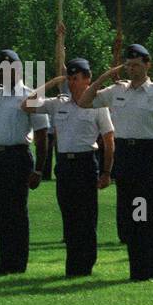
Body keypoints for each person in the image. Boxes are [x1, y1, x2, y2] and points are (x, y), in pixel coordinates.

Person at [78, 43, 153, 282]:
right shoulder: (117, 90)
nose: (132, 69)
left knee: (143, 214)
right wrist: (105, 76)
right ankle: (136, 269)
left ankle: (147, 270)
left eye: (137, 65)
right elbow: (84, 101)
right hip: (126, 157)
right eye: (129, 65)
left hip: (146, 157)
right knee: (129, 217)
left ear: (147, 64)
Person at [24, 53, 114, 277]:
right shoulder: (58, 104)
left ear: (88, 79)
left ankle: (86, 264)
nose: (72, 82)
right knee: (69, 217)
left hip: (85, 164)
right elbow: (26, 105)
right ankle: (73, 265)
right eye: (69, 78)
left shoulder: (98, 105)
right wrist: (52, 83)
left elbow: (109, 140)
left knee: (86, 217)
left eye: (77, 78)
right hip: (64, 165)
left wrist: (106, 172)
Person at [0, 48, 49, 275]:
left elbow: (42, 136)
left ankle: (17, 264)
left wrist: (39, 170)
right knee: (2, 212)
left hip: (18, 157)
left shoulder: (30, 95)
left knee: (17, 213)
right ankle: (4, 263)